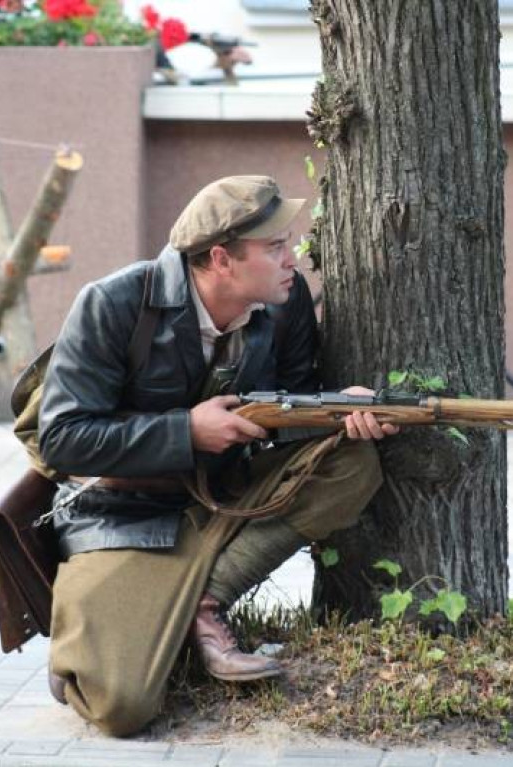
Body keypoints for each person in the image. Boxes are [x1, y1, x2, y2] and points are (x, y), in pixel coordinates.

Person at [37, 175, 396, 737]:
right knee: (119, 706)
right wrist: (186, 431)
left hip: (225, 502)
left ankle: (205, 602)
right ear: (222, 259)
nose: (291, 260)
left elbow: (290, 424)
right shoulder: (113, 303)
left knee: (351, 463)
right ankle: (125, 629)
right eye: (274, 247)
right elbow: (63, 438)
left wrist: (336, 415)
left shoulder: (285, 305)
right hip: (120, 516)